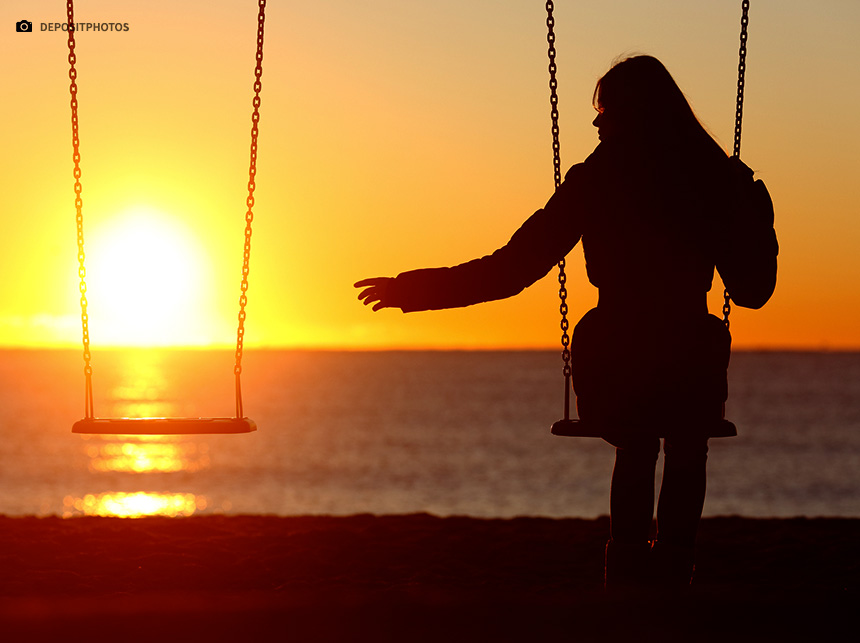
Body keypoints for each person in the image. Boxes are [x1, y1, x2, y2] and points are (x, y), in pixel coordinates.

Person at [355, 55, 777, 590]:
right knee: (687, 445)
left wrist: (419, 289)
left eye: (605, 111)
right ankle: (672, 574)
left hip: (619, 354)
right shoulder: (715, 178)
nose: (597, 124)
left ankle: (626, 577)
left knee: (637, 443)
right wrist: (756, 215)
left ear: (633, 114)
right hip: (688, 355)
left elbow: (511, 269)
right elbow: (754, 290)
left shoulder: (596, 181)